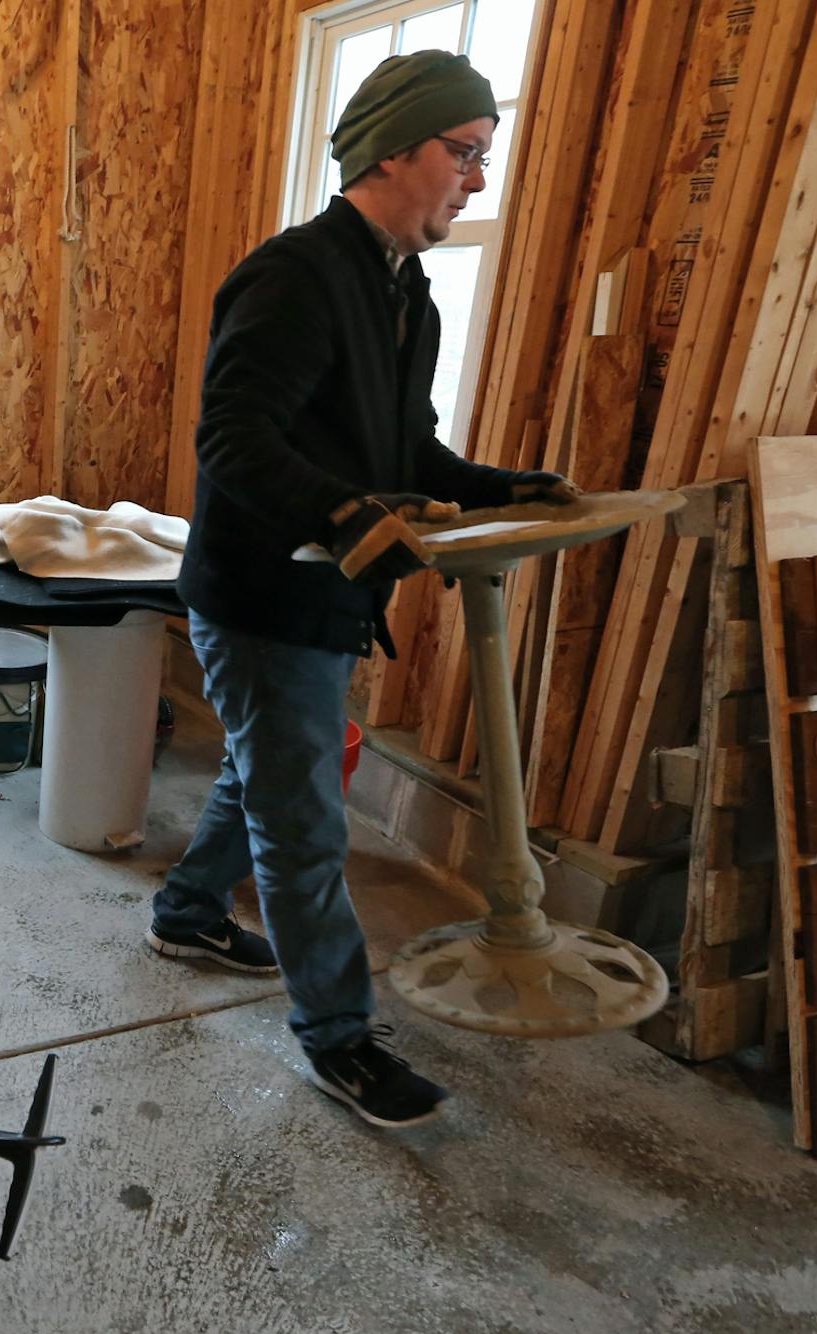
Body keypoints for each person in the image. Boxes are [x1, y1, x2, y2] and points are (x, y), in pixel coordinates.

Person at [146, 50, 577, 1128]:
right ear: (394, 147)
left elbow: (405, 447)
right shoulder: (295, 275)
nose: (477, 178)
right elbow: (234, 439)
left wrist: (498, 487)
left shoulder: (404, 293)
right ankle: (338, 1036)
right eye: (465, 153)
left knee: (268, 772)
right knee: (305, 824)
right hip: (261, 596)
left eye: (485, 157)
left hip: (328, 596)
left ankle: (188, 910)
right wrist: (345, 517)